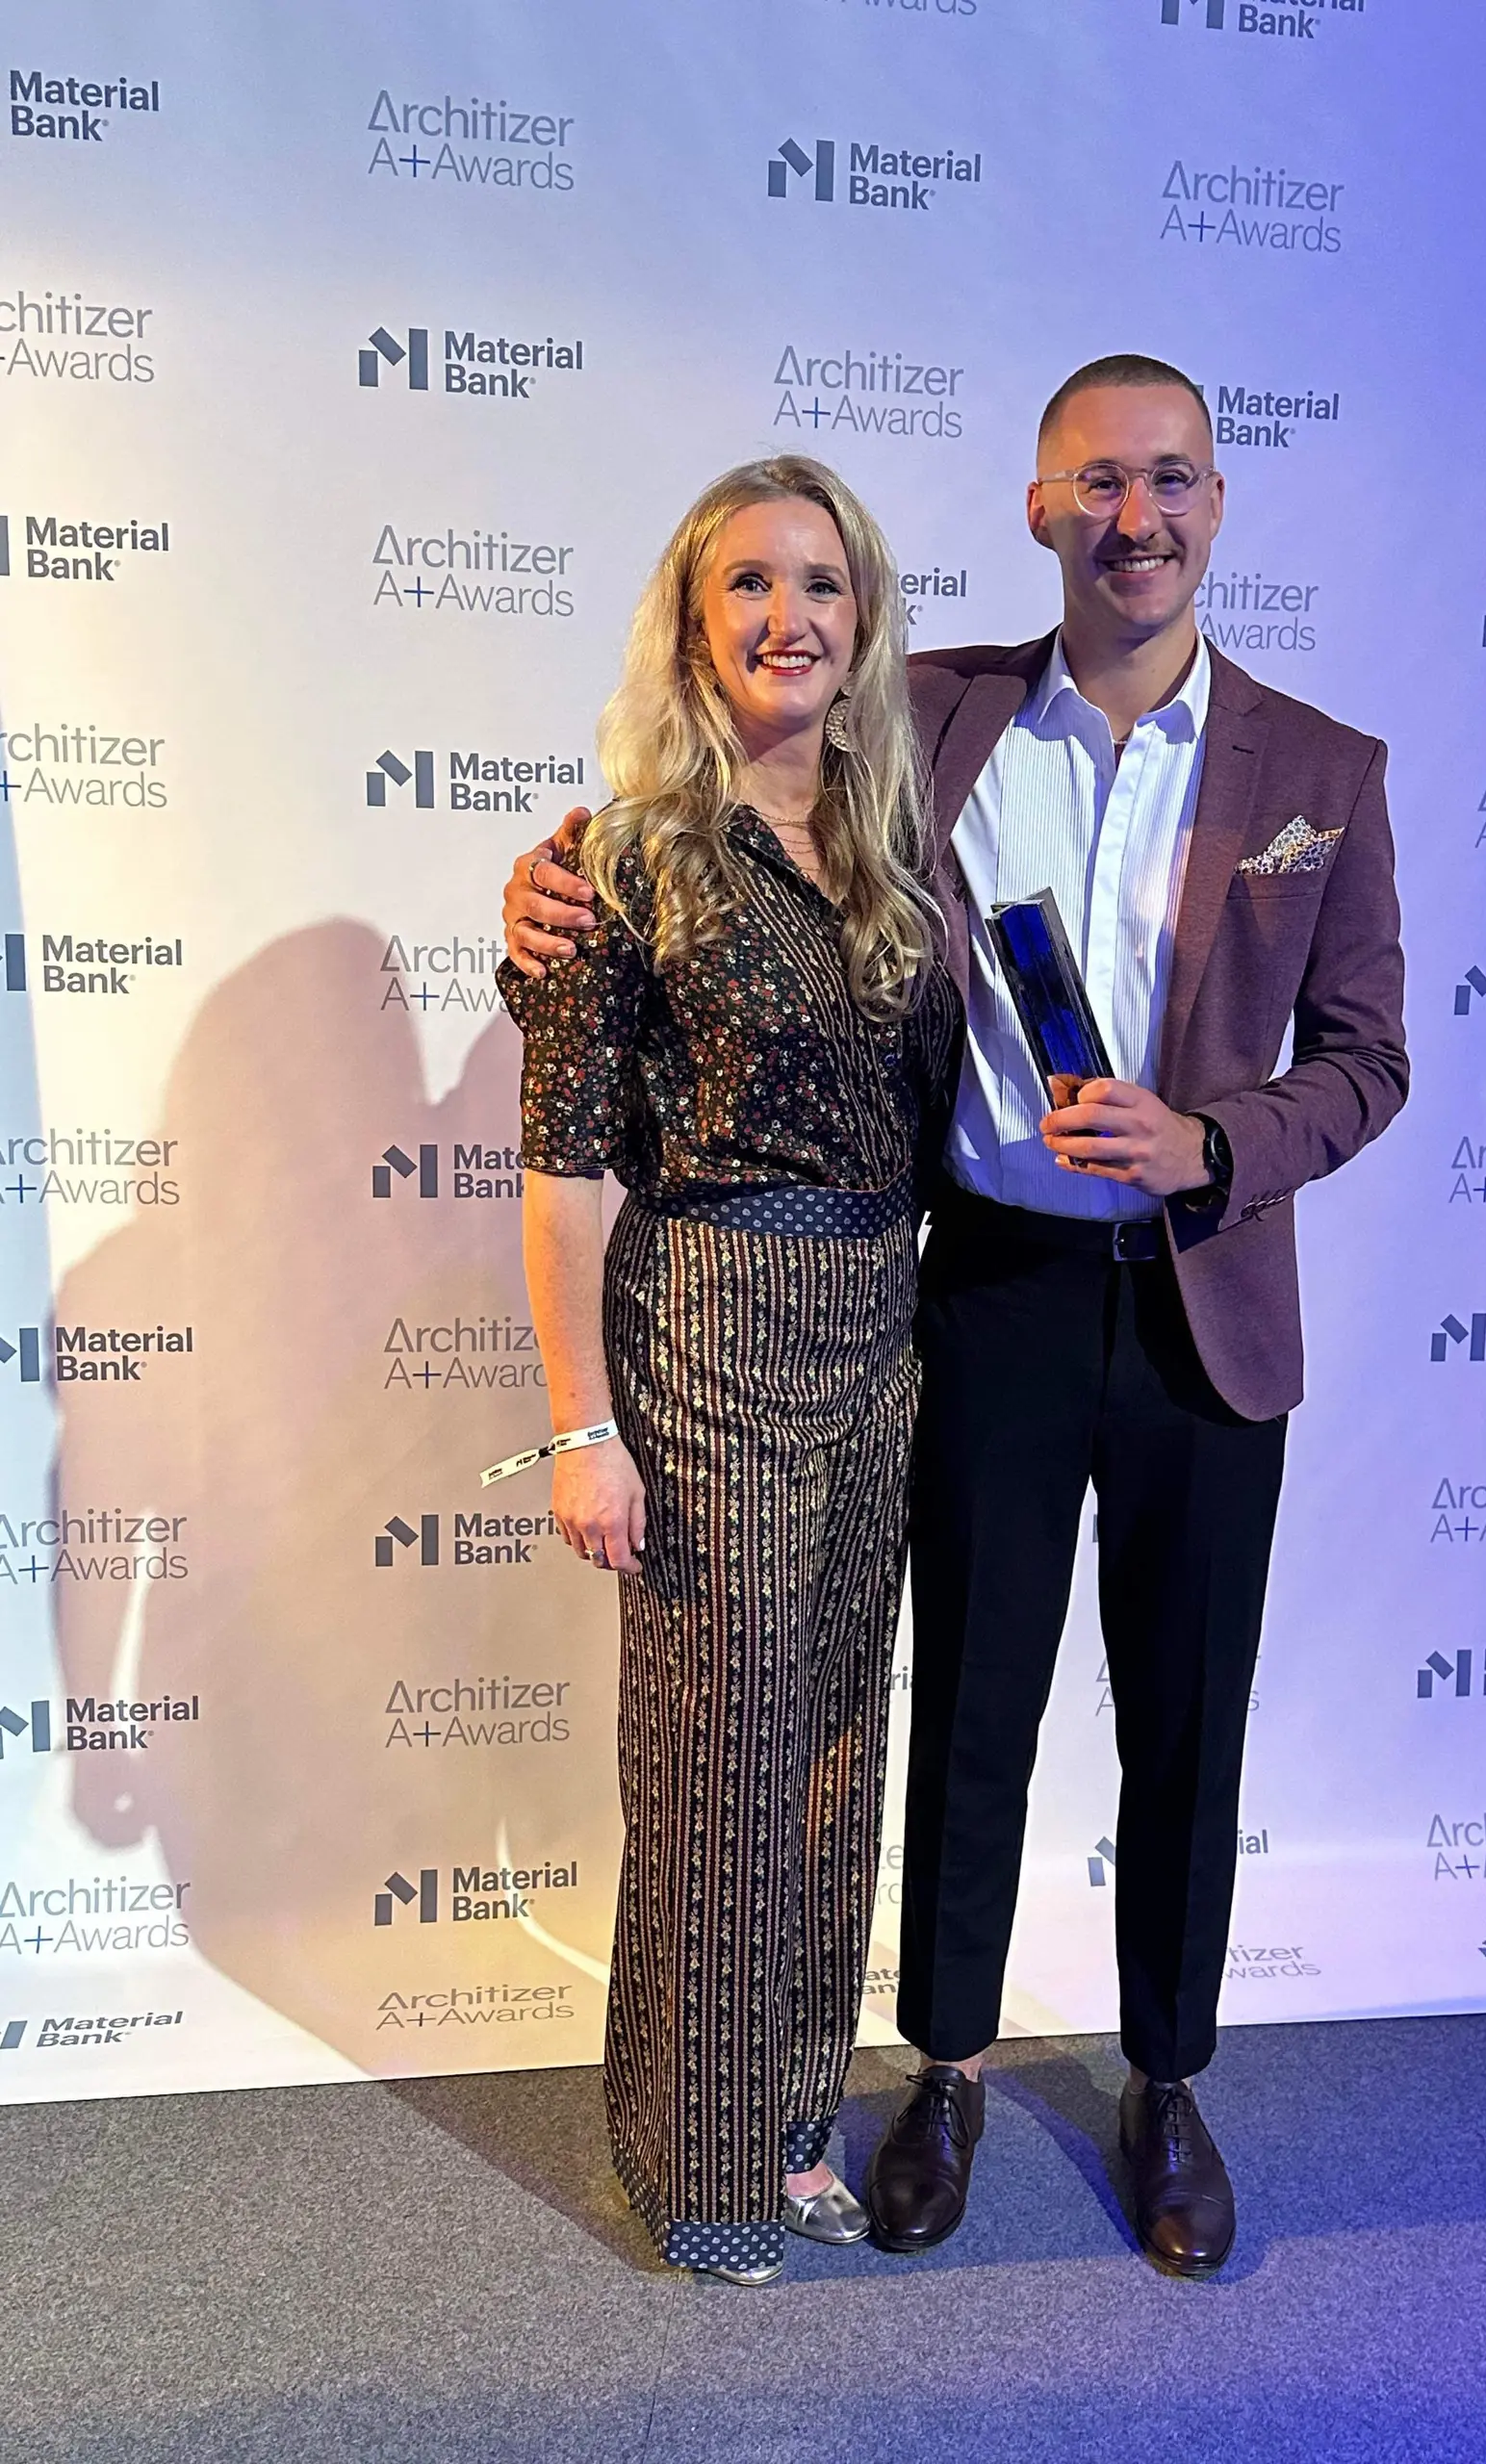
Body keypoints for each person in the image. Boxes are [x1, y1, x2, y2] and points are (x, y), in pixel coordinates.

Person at [503, 355, 1409, 2279]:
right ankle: (947, 2069)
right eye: (1099, 480)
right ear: (1038, 507)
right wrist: (542, 890)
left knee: (1186, 1723)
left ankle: (1167, 2081)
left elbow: (1367, 1062)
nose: (1136, 515)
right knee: (960, 1714)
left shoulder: (1322, 775)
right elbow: (705, 801)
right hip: (978, 1296)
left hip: (1201, 1310)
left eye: (1172, 479)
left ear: (1220, 505)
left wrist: (1214, 1137)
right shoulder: (931, 711)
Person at [500, 454, 960, 2285]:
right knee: (716, 1771)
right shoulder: (622, 858)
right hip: (704, 1340)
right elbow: (560, 1173)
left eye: (823, 586)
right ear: (694, 631)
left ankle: (787, 2123)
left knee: (838, 1761)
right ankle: (689, 2160)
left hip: (882, 1348)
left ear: (866, 624)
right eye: (749, 586)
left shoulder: (890, 854)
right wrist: (581, 1429)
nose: (792, 619)